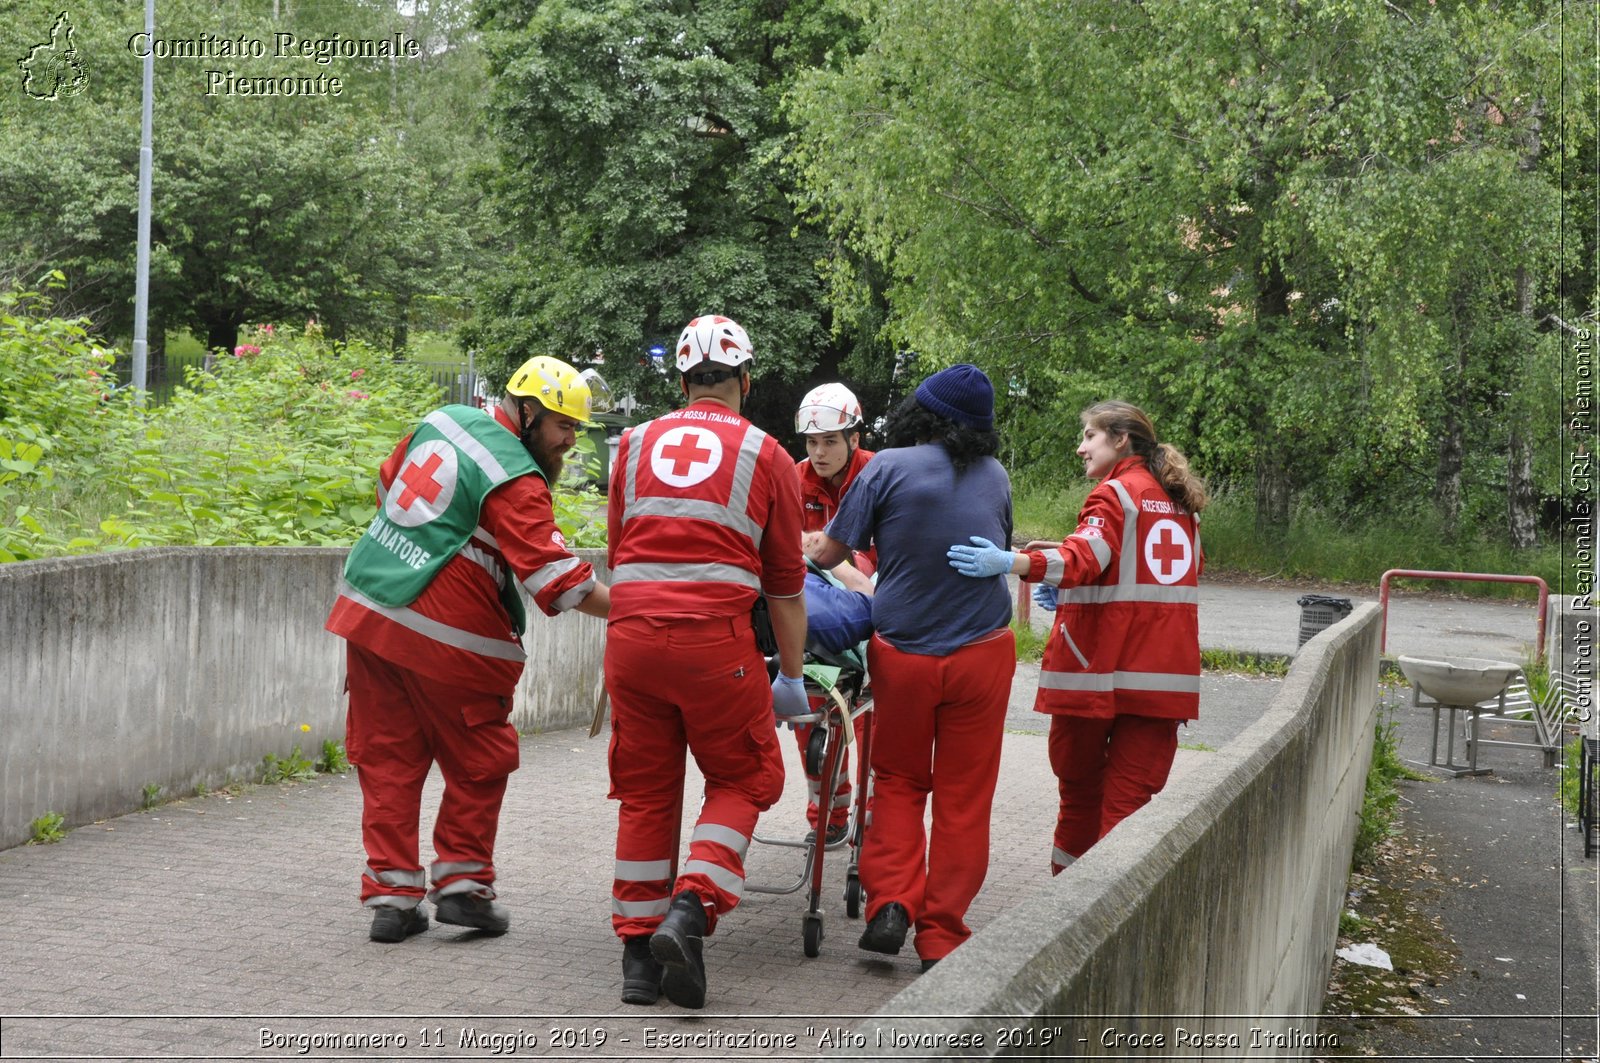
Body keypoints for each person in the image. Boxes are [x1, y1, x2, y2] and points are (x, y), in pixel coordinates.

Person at [326, 356, 612, 943]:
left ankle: (393, 898)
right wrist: (643, 608)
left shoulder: (443, 420)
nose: (569, 440)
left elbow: (388, 482)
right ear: (527, 411)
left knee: (386, 760)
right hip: (451, 643)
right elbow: (559, 581)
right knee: (480, 760)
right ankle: (462, 886)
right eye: (563, 425)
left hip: (372, 613)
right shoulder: (516, 475)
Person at [604, 314, 809, 1010]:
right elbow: (784, 587)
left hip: (630, 639)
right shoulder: (767, 454)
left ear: (683, 381)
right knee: (748, 774)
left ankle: (637, 957)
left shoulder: (629, 445)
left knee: (646, 787)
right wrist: (788, 675)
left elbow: (620, 549)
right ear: (745, 381)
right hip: (713, 644)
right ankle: (691, 907)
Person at [806, 364, 1016, 973]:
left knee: (897, 782)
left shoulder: (888, 466)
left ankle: (891, 903)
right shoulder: (996, 474)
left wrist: (800, 545)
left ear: (919, 415)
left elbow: (832, 552)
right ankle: (943, 934)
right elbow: (994, 541)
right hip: (982, 653)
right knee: (965, 796)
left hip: (904, 654)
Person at [947, 400, 1207, 871]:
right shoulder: (1180, 504)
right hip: (1163, 682)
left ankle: (1068, 912)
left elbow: (1086, 556)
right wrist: (1069, 597)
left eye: (1090, 436)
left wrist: (1015, 563)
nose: (1080, 447)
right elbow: (1142, 580)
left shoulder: (1114, 495)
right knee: (1129, 812)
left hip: (1097, 676)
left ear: (1120, 439)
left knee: (1081, 797)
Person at [793, 382, 875, 843]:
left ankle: (872, 822)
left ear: (854, 439)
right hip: (821, 611)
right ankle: (828, 818)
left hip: (874, 609)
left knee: (878, 726)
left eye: (829, 441)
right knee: (813, 719)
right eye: (811, 442)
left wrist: (843, 564)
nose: (818, 453)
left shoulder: (880, 476)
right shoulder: (791, 479)